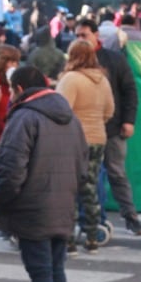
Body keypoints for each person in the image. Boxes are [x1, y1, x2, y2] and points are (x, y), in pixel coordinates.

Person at [0, 66, 87, 282]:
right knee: (56, 267)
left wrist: (1, 200)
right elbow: (84, 164)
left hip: (33, 204)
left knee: (40, 269)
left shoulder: (24, 117)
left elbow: (11, 168)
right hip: (64, 202)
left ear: (19, 89)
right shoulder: (70, 118)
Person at [74, 17, 141, 236]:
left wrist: (129, 120)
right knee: (88, 177)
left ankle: (131, 217)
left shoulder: (114, 59)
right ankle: (92, 220)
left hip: (112, 128)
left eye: (84, 35)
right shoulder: (74, 62)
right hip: (84, 132)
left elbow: (130, 90)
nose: (80, 39)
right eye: (77, 36)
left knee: (116, 173)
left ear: (96, 36)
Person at [56, 39, 114, 253]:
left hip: (74, 140)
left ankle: (69, 240)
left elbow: (61, 111)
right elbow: (109, 111)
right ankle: (91, 237)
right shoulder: (102, 80)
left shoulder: (70, 79)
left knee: (69, 189)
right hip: (98, 138)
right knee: (90, 188)